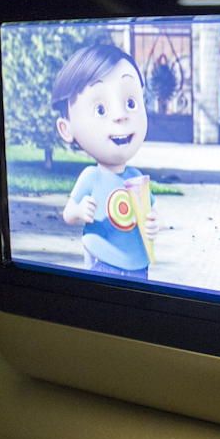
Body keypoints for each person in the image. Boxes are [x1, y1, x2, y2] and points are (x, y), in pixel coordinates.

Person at [52, 42, 161, 279]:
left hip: (138, 263)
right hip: (102, 261)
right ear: (66, 128)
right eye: (100, 109)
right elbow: (68, 214)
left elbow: (150, 210)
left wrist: (154, 223)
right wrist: (79, 210)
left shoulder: (137, 178)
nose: (120, 116)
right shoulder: (91, 177)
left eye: (131, 104)